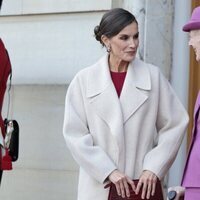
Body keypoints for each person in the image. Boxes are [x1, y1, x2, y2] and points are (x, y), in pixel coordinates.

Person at [63, 8, 188, 200]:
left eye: (136, 37)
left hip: (142, 188)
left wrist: (153, 168)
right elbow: (75, 135)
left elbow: (176, 123)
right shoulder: (84, 81)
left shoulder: (152, 77)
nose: (133, 44)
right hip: (99, 188)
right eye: (124, 38)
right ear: (106, 40)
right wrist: (108, 170)